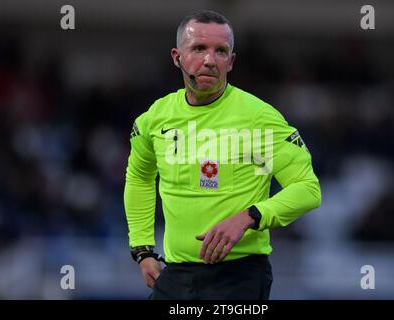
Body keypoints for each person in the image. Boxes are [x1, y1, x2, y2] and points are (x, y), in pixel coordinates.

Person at [123, 9, 321, 300]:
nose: (210, 60)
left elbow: (308, 189)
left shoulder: (258, 119)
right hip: (175, 275)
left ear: (231, 61)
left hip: (238, 276)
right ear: (177, 57)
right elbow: (140, 178)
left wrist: (250, 216)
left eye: (221, 51)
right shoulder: (154, 120)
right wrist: (142, 249)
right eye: (199, 48)